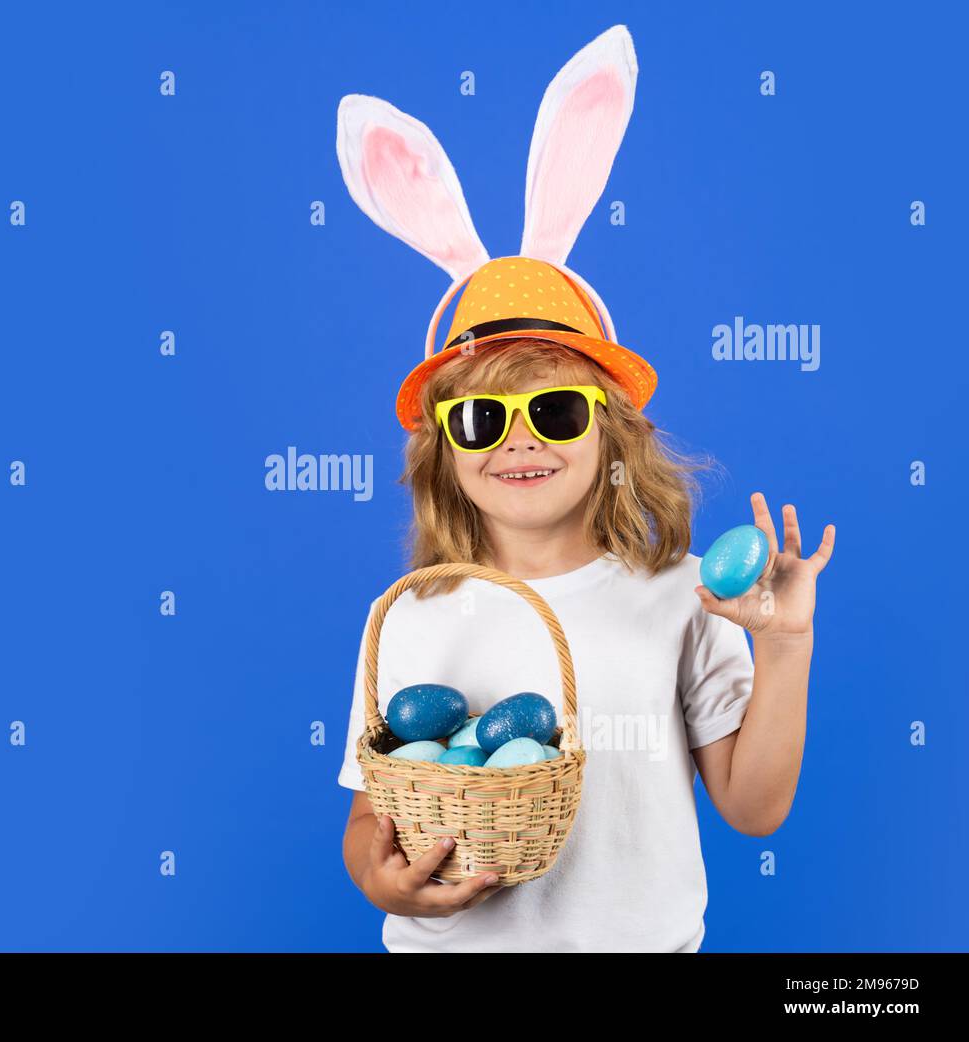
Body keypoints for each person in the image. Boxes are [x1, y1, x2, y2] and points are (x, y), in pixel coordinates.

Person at [336, 332, 834, 952]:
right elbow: (367, 820)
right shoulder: (410, 610)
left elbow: (755, 809)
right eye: (480, 419)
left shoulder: (687, 594)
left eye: (555, 411)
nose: (519, 439)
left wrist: (787, 645)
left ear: (611, 433)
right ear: (444, 451)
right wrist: (383, 884)